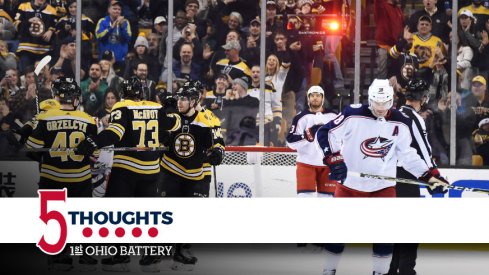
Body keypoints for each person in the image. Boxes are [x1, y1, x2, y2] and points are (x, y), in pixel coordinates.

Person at [316, 79, 449, 275]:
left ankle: (379, 272)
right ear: (369, 99)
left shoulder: (401, 121)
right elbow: (325, 132)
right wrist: (334, 158)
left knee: (385, 235)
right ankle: (329, 270)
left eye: (384, 103)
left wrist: (428, 177)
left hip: (382, 188)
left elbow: (408, 156)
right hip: (349, 186)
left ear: (392, 101)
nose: (380, 108)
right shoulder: (353, 114)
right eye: (376, 103)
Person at [76, 77, 181, 271]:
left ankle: (120, 256)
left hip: (126, 169)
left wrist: (92, 142)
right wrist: (170, 108)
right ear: (142, 92)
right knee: (148, 216)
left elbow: (114, 133)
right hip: (151, 171)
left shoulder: (121, 106)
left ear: (124, 93)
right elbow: (174, 125)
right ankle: (150, 258)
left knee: (119, 213)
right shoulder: (155, 107)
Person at [25, 77, 98, 271]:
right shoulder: (88, 119)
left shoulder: (45, 117)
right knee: (82, 218)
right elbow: (96, 152)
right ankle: (84, 254)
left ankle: (59, 256)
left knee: (55, 219)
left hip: (52, 177)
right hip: (80, 177)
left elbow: (32, 148)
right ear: (76, 98)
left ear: (57, 96)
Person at [158, 85, 224, 271]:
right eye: (178, 98)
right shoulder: (174, 116)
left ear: (194, 101)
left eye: (184, 99)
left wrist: (217, 152)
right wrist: (164, 112)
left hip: (196, 172)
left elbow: (218, 141)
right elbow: (159, 132)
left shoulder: (207, 118)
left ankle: (181, 250)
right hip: (170, 168)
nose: (179, 102)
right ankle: (163, 249)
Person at [388, 79, 440, 275]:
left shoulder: (391, 113)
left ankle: (391, 269)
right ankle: (407, 270)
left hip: (386, 177)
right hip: (405, 176)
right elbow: (423, 150)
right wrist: (435, 176)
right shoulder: (414, 118)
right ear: (423, 98)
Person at [286, 85, 338, 197]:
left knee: (327, 199)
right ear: (308, 98)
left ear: (322, 98)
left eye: (318, 95)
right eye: (312, 95)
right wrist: (307, 135)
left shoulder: (333, 116)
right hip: (306, 164)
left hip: (327, 164)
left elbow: (343, 138)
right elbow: (290, 143)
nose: (315, 98)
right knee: (305, 198)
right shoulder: (300, 117)